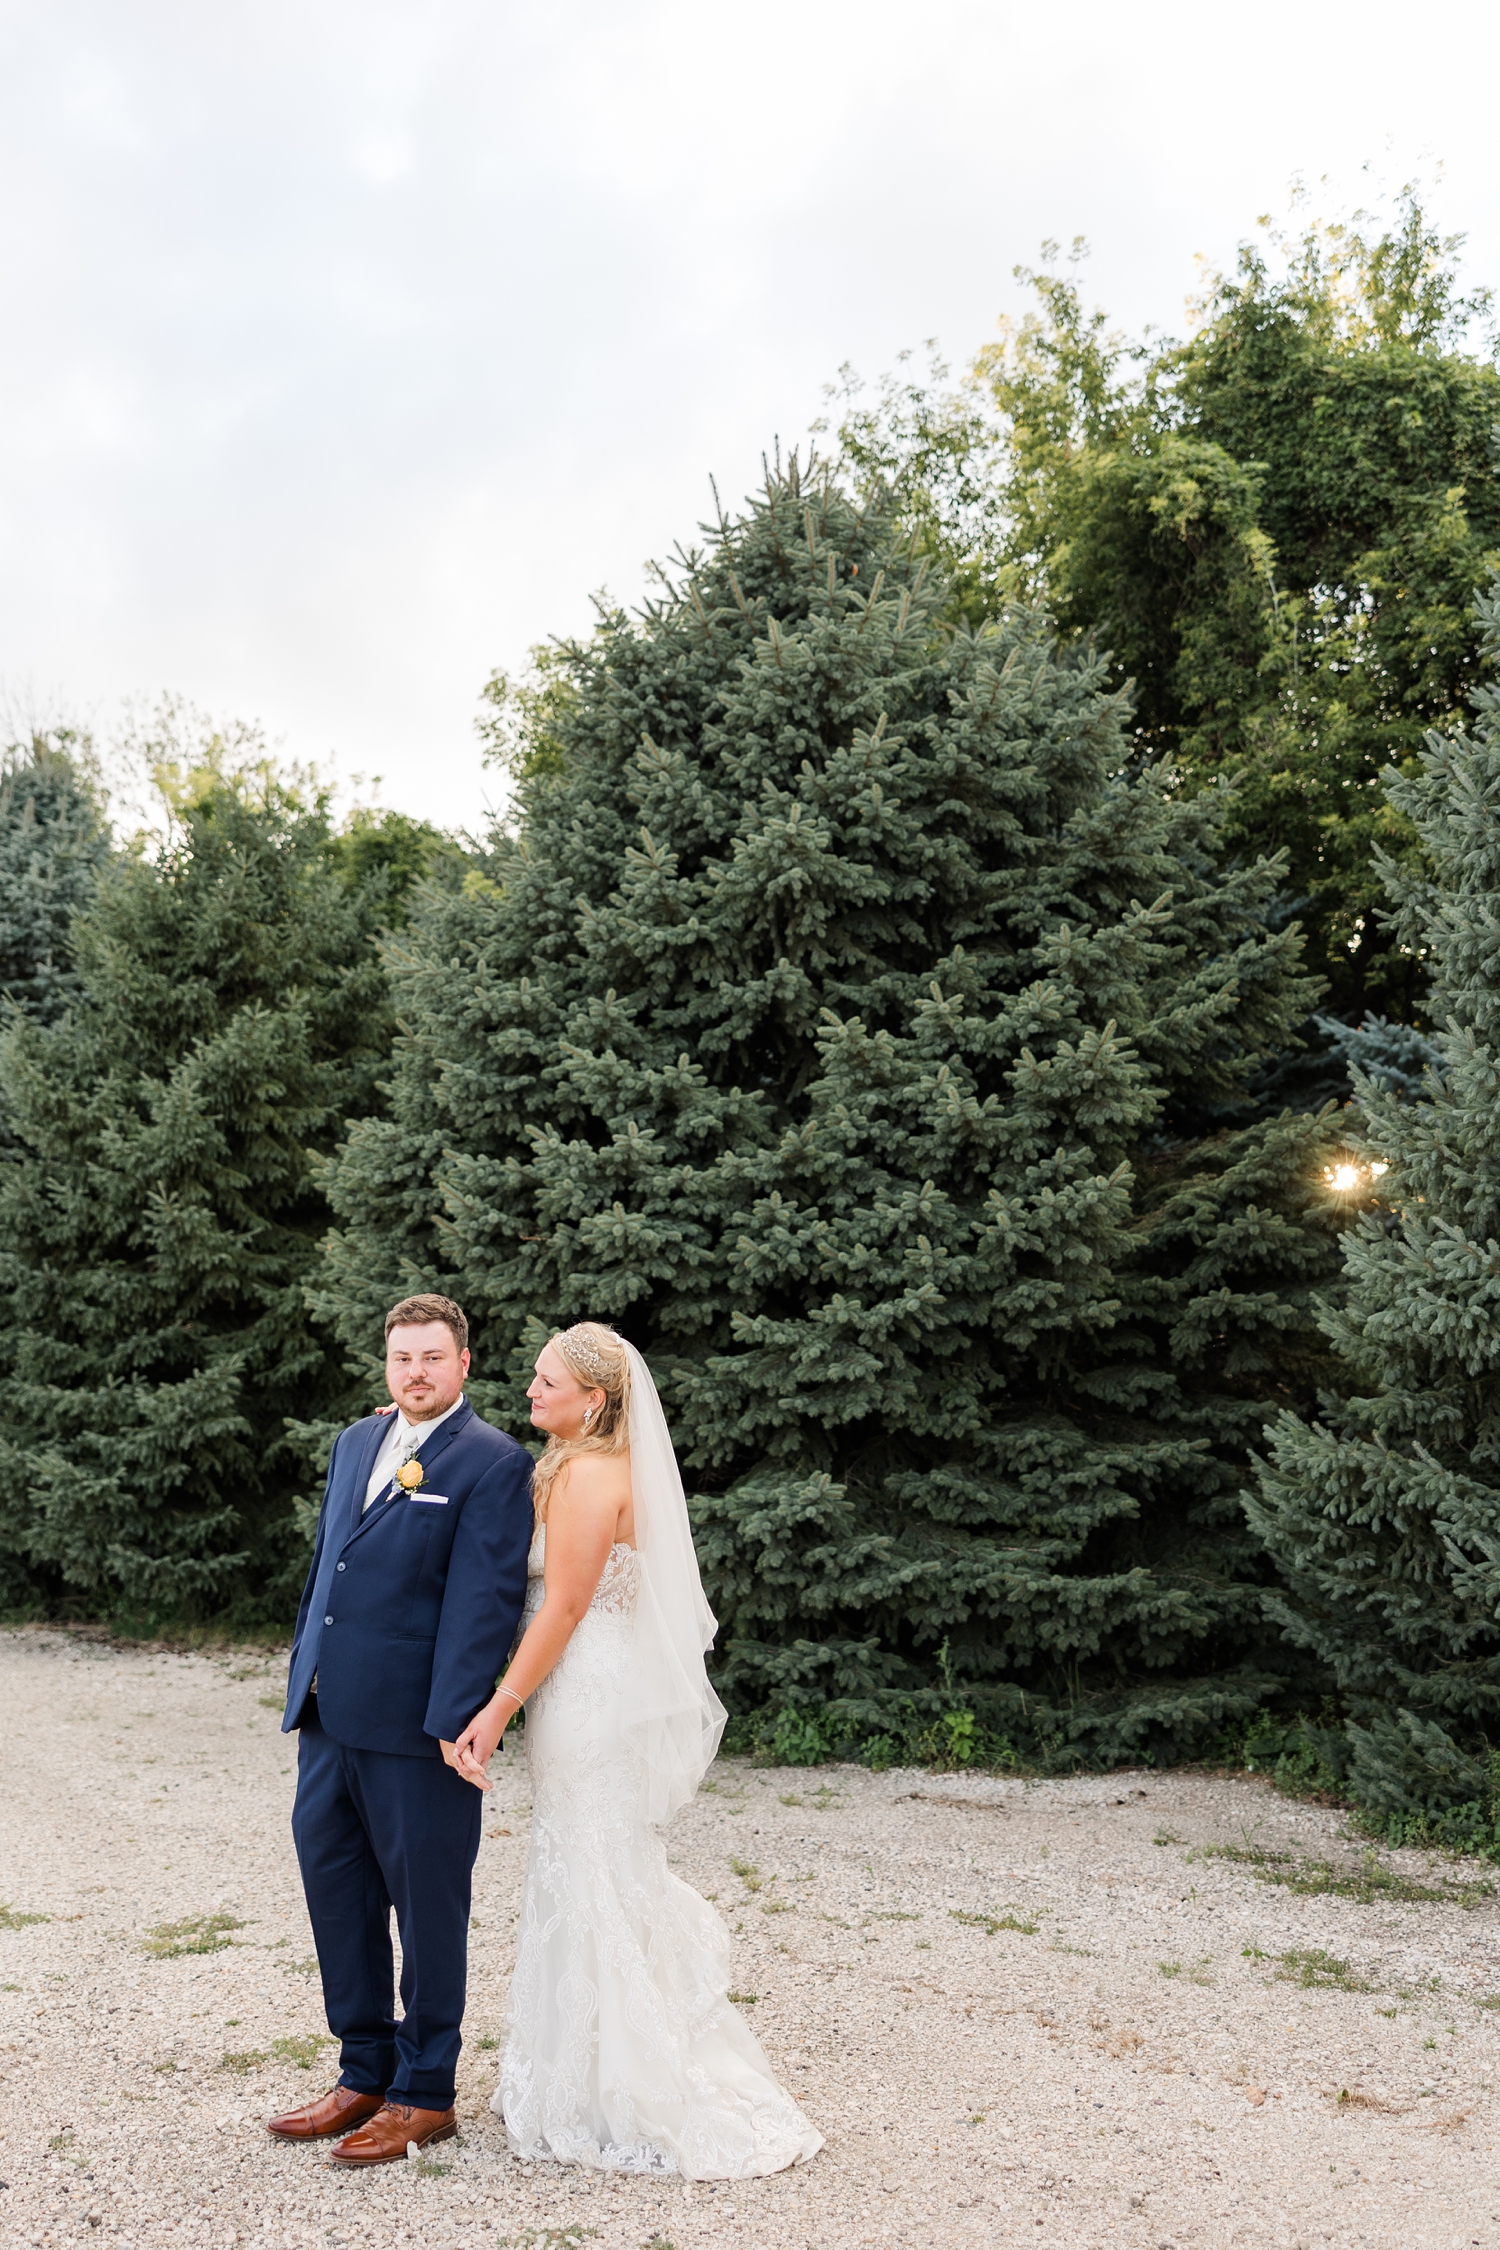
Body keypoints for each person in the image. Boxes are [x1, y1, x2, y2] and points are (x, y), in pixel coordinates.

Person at [451, 1321, 822, 2179]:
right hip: (589, 1686)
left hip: (586, 1693)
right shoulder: (589, 1467)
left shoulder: (587, 1475)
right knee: (593, 1862)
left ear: (595, 1400)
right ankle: (579, 2071)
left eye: (548, 1382)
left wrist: (501, 1704)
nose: (532, 1391)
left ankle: (616, 2086)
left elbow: (566, 1605)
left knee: (589, 1865)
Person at [266, 1293, 533, 2167]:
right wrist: (304, 1673)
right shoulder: (355, 1442)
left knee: (428, 1914)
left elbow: (484, 1604)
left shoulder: (493, 1462)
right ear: (388, 1364)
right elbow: (326, 1566)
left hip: (420, 1733)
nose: (414, 1373)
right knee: (337, 1899)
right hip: (328, 1718)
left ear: (463, 1363)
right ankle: (363, 2072)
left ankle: (425, 2094)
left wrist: (455, 1723)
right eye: (401, 1358)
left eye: (431, 1358)